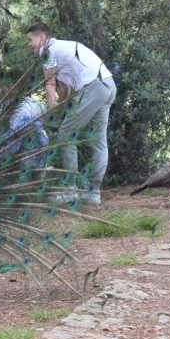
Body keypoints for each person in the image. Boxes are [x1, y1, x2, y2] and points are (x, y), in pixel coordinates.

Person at [25, 22, 117, 205]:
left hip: (94, 87)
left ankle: (70, 189)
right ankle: (93, 193)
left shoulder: (49, 52)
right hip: (108, 85)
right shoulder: (64, 47)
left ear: (42, 37)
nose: (29, 44)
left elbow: (50, 86)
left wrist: (50, 118)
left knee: (65, 135)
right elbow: (65, 92)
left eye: (30, 40)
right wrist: (59, 111)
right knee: (99, 141)